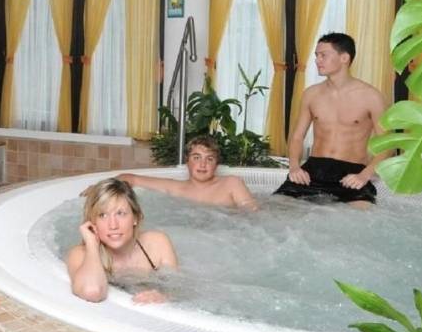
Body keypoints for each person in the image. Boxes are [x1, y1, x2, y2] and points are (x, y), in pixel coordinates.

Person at [274, 32, 389, 205]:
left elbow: (387, 145)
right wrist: (295, 167)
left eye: (323, 55)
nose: (317, 60)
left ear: (344, 58)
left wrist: (364, 175)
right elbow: (297, 137)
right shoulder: (311, 94)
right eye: (316, 55)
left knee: (361, 214)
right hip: (313, 171)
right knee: (275, 207)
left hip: (351, 173)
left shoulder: (371, 97)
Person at [67, 177, 178, 303]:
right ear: (93, 222)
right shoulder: (80, 254)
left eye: (121, 213)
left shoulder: (158, 243)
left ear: (136, 217)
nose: (113, 225)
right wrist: (92, 245)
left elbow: (176, 290)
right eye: (103, 215)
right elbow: (92, 292)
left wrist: (163, 296)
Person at [118, 135, 258, 210]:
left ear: (216, 164)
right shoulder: (177, 188)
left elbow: (253, 216)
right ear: (187, 161)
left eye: (209, 159)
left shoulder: (231, 184)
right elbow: (129, 178)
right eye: (196, 158)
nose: (203, 164)